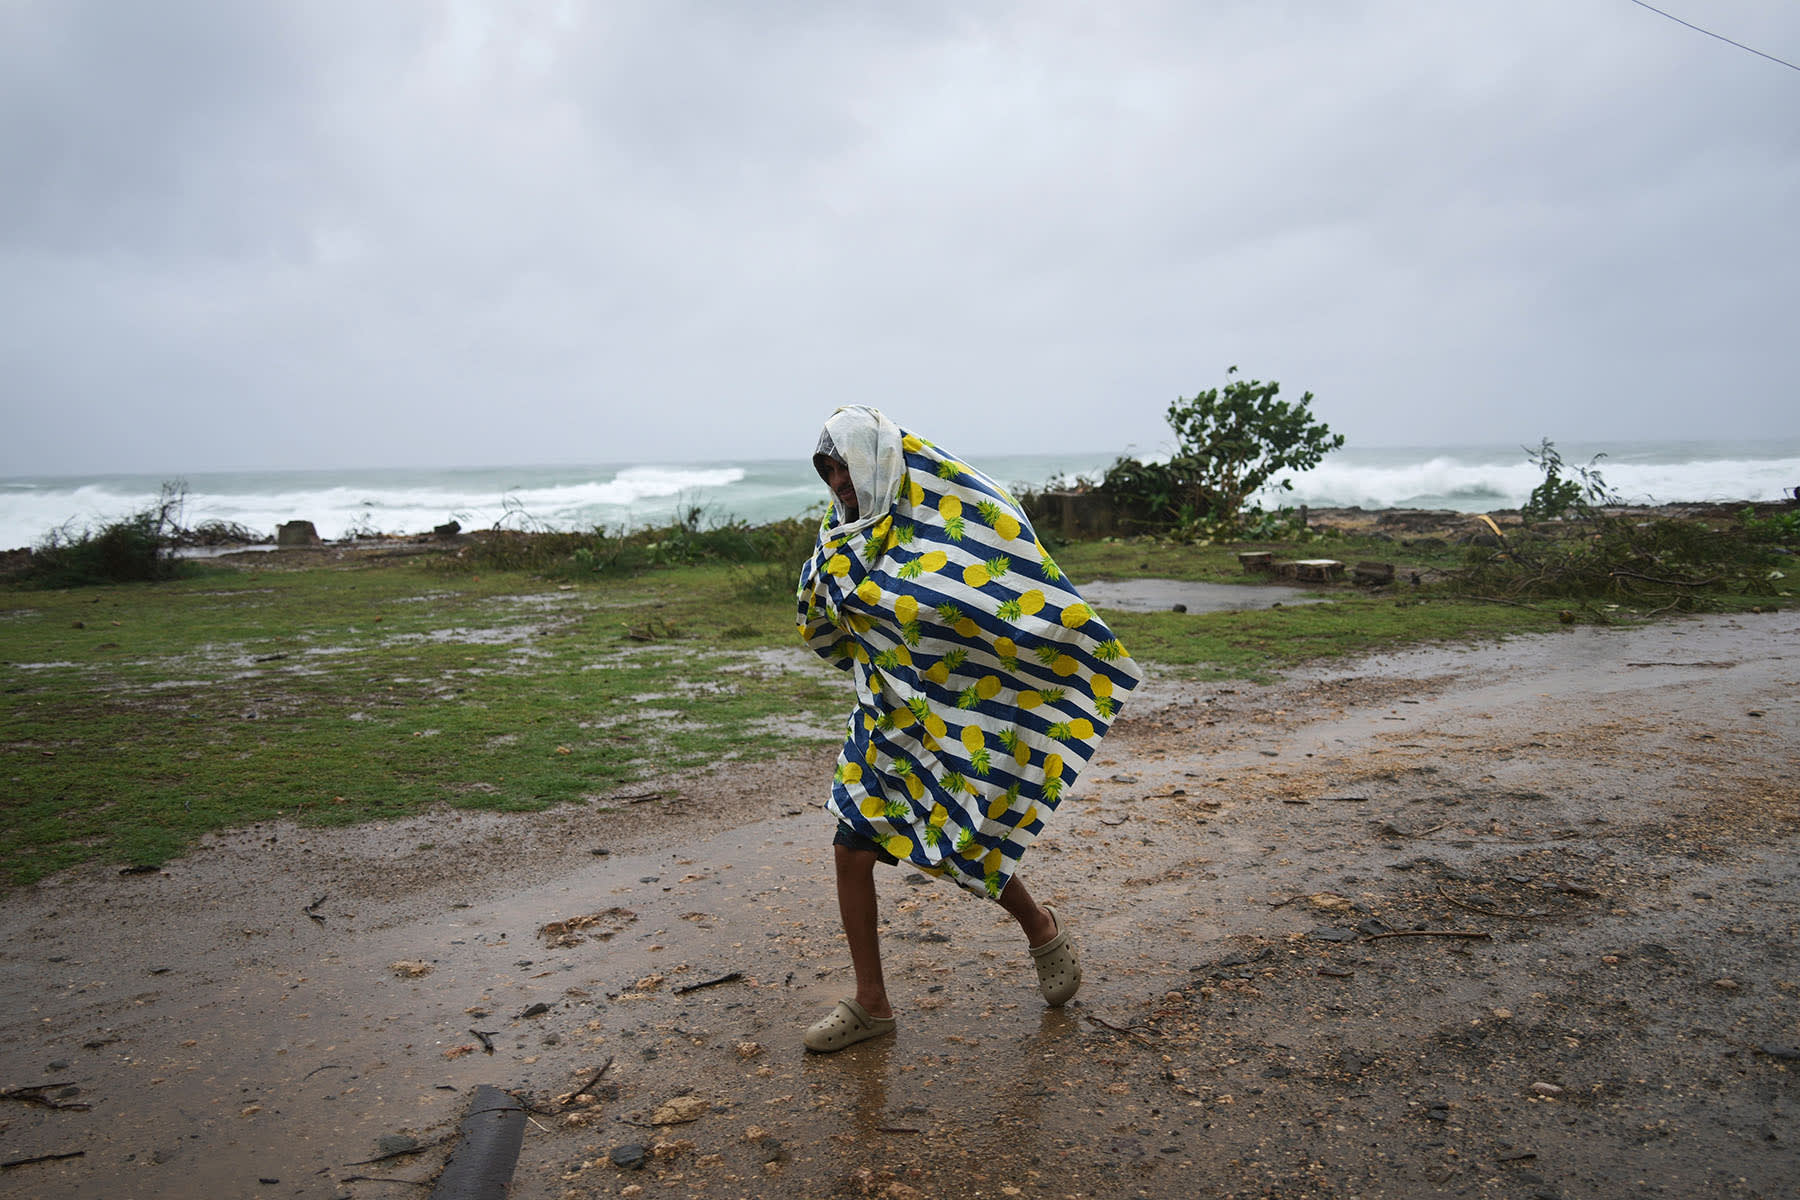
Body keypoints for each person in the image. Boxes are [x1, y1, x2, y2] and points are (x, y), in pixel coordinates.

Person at [795, 406, 1143, 1052]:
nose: (839, 482)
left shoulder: (946, 525)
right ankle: (872, 1004)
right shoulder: (840, 538)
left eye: (846, 466)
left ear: (876, 460)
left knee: (963, 836)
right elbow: (825, 618)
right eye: (829, 471)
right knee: (851, 847)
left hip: (950, 715)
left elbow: (997, 590)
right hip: (882, 718)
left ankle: (1041, 928)